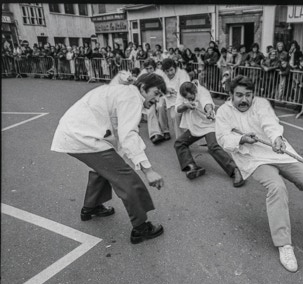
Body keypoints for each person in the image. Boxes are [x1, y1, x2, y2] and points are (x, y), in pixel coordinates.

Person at [215, 75, 303, 273]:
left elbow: (270, 124)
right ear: (230, 94)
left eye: (248, 95)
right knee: (277, 188)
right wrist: (241, 139)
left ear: (253, 94)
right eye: (239, 95)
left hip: (278, 152)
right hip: (253, 158)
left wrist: (277, 138)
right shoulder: (223, 112)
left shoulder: (262, 104)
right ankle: (284, 244)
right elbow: (222, 138)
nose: (244, 100)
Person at [51, 73, 167, 244]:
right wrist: (148, 170)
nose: (156, 99)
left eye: (160, 96)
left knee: (106, 167)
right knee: (126, 177)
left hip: (74, 132)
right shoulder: (132, 97)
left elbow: (120, 132)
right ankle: (141, 228)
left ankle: (91, 207)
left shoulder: (124, 91)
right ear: (143, 88)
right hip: (82, 136)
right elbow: (129, 136)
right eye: (156, 93)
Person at [174, 81, 244, 186]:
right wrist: (186, 105)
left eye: (191, 97)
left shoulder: (202, 92)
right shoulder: (182, 93)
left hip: (208, 125)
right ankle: (192, 166)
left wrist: (209, 110)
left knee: (213, 146)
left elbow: (207, 103)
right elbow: (178, 109)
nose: (190, 99)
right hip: (194, 126)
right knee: (179, 143)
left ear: (195, 91)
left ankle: (235, 170)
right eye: (187, 98)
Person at [161, 58, 191, 139]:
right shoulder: (163, 75)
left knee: (175, 116)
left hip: (180, 98)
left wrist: (174, 92)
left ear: (175, 68)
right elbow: (160, 87)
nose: (170, 73)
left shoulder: (182, 74)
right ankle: (165, 131)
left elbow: (184, 90)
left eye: (171, 70)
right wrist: (166, 90)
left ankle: (180, 140)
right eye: (167, 71)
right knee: (159, 106)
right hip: (167, 97)